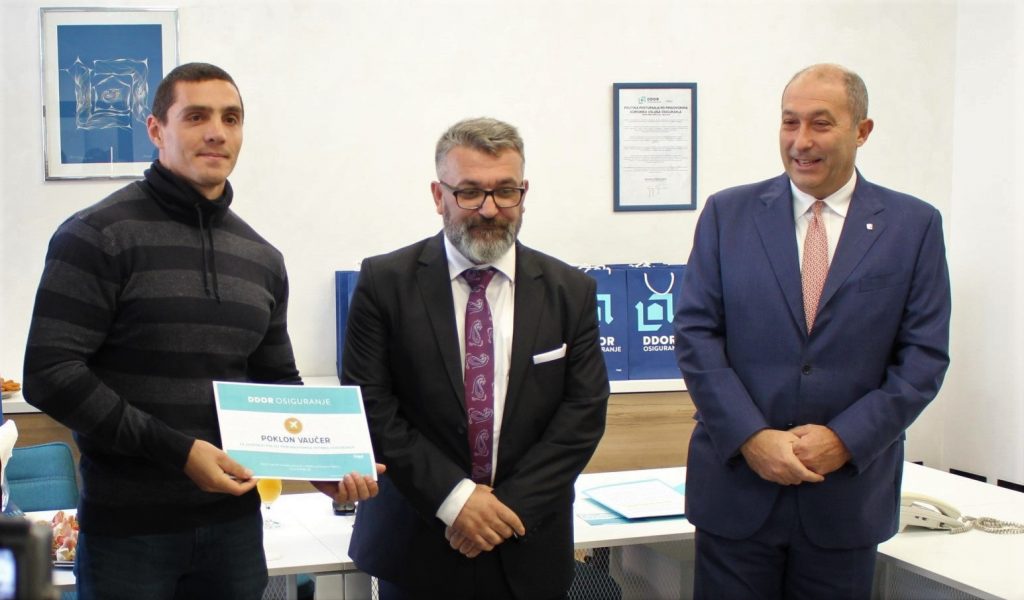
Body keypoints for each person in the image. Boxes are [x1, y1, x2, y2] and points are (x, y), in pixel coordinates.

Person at [23, 62, 378, 600]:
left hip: (234, 530)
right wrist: (180, 452)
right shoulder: (97, 236)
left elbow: (277, 382)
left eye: (231, 118)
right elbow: (49, 374)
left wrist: (321, 463)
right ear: (156, 129)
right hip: (128, 535)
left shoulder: (261, 258)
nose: (217, 131)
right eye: (196, 116)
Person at [673, 63, 951, 599]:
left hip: (845, 500)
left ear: (862, 131)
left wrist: (845, 439)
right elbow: (695, 334)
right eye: (789, 122)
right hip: (737, 491)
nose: (801, 141)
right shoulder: (728, 214)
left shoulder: (913, 226)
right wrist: (751, 437)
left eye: (821, 124)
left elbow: (923, 359)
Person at [342, 117, 609, 599]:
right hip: (418, 546)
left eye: (505, 191)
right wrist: (457, 501)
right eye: (469, 192)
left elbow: (583, 415)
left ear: (524, 193)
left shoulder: (570, 291)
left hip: (527, 544)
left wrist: (503, 511)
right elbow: (372, 407)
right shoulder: (385, 283)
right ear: (438, 195)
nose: (489, 209)